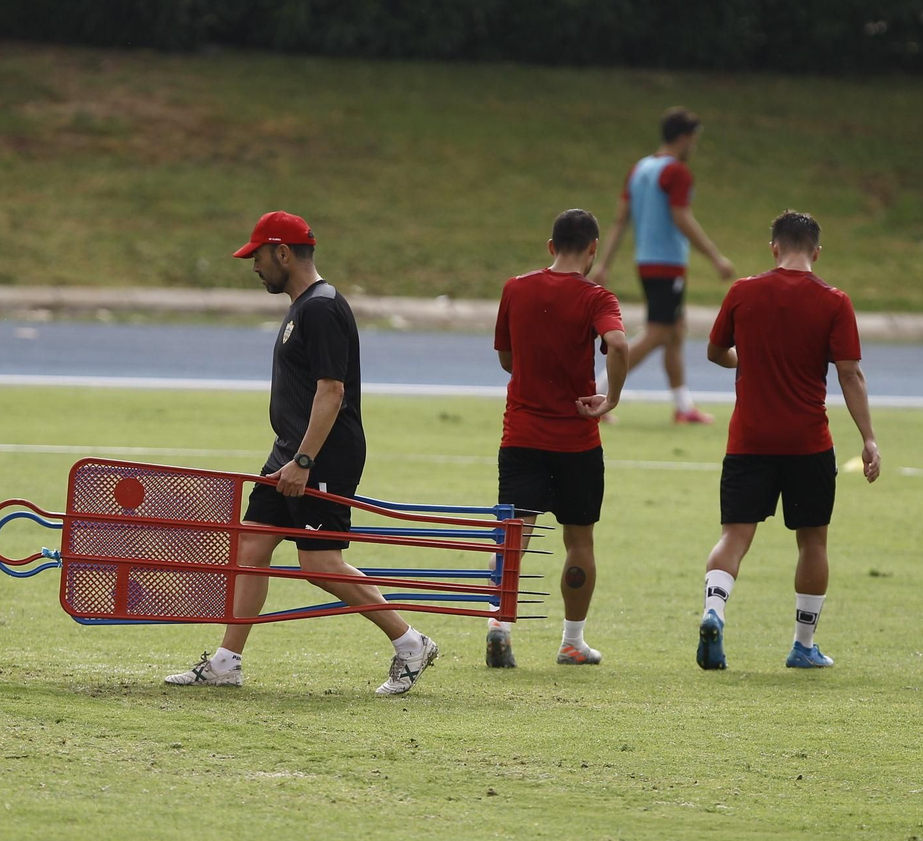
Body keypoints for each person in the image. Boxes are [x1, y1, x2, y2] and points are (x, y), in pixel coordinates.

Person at [165, 210, 439, 695]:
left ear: (283, 253)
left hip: (322, 455)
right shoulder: (303, 306)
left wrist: (306, 462)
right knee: (251, 547)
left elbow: (331, 391)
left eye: (258, 256)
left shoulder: (322, 307)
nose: (253, 267)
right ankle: (226, 663)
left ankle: (410, 643)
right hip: (289, 451)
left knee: (318, 563)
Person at [696, 210, 881, 671]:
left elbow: (715, 351)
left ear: (773, 247)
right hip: (807, 442)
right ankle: (803, 645)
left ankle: (714, 611)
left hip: (749, 440)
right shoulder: (834, 301)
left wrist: (748, 360)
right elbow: (850, 373)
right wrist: (869, 438)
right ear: (816, 251)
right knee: (812, 543)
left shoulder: (743, 292)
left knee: (734, 536)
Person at [486, 208, 629, 668]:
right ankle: (572, 641)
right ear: (592, 249)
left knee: (515, 535)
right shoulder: (597, 297)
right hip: (577, 441)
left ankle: (499, 626)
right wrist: (611, 398)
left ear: (550, 247)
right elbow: (620, 344)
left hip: (522, 433)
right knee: (579, 540)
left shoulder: (516, 288)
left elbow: (507, 358)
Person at [594, 106, 735, 424]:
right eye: (694, 140)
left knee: (675, 333)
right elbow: (681, 217)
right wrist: (715, 256)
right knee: (658, 333)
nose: (694, 148)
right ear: (685, 137)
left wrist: (605, 263)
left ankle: (683, 407)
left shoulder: (640, 169)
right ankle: (599, 393)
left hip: (645, 262)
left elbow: (620, 219)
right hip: (667, 264)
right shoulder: (676, 173)